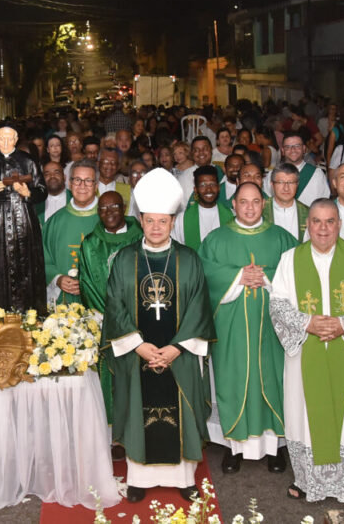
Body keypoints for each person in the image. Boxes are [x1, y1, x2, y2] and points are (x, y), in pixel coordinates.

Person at [102, 168, 214, 503]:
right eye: (149, 221)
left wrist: (177, 348)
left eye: (162, 221)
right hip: (140, 354)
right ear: (141, 220)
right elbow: (115, 305)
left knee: (179, 408)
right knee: (140, 408)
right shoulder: (125, 259)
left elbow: (199, 306)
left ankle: (183, 478)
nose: (155, 228)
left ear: (172, 221)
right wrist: (139, 346)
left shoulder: (188, 259)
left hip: (177, 355)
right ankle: (139, 477)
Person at [268, 199, 344, 503]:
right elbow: (277, 304)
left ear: (339, 224)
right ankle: (306, 481)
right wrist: (307, 323)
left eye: (330, 221)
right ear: (308, 225)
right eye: (316, 221)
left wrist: (343, 325)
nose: (323, 228)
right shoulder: (290, 259)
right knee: (304, 414)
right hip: (306, 350)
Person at [199, 182, 296, 475]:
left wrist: (266, 277)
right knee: (234, 381)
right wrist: (237, 276)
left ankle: (275, 448)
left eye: (255, 201)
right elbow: (203, 272)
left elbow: (298, 273)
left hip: (272, 327)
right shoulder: (216, 239)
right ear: (234, 205)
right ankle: (234, 448)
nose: (250, 207)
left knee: (273, 380)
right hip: (231, 328)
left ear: (264, 204)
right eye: (244, 202)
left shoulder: (282, 238)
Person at [77, 191, 142, 425]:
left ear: (123, 207)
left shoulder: (142, 237)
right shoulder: (91, 243)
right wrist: (108, 316)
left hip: (139, 321)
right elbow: (86, 282)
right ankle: (114, 432)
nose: (109, 213)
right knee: (110, 377)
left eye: (114, 206)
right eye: (103, 209)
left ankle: (140, 428)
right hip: (105, 321)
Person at [0, 126, 48, 314]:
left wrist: (28, 193)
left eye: (9, 139)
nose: (6, 143)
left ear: (15, 140)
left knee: (27, 263)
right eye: (2, 139)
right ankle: (1, 313)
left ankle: (30, 312)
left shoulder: (28, 161)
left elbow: (43, 190)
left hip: (23, 216)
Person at [44, 159, 101, 306]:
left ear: (96, 185)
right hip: (61, 304)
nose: (82, 186)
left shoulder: (107, 220)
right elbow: (42, 258)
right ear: (69, 183)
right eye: (77, 180)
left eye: (88, 180)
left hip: (99, 301)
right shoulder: (55, 221)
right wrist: (57, 278)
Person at [171, 165, 234, 251]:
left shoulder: (232, 216)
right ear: (195, 190)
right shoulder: (182, 219)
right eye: (203, 185)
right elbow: (177, 251)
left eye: (212, 184)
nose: (209, 190)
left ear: (218, 187)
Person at [262, 164, 309, 241]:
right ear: (272, 184)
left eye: (291, 182)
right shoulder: (261, 211)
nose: (286, 188)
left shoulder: (308, 213)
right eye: (280, 182)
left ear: (297, 184)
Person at [280, 133, 330, 205]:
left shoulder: (316, 174)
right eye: (288, 147)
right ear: (283, 151)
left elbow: (324, 203)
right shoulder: (273, 175)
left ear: (304, 149)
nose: (293, 150)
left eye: (297, 146)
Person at [36, 160, 69, 226]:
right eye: (47, 174)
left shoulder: (75, 198)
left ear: (64, 177)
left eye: (56, 173)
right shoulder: (36, 202)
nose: (52, 176)